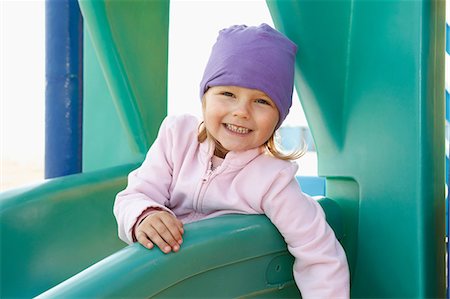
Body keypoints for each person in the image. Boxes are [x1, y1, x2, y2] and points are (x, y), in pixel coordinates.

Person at [114, 23, 349, 298]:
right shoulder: (176, 137)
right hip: (159, 284)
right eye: (227, 94)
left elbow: (319, 253)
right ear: (205, 98)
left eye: (261, 101)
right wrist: (145, 214)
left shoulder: (273, 179)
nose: (241, 112)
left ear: (278, 118)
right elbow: (133, 196)